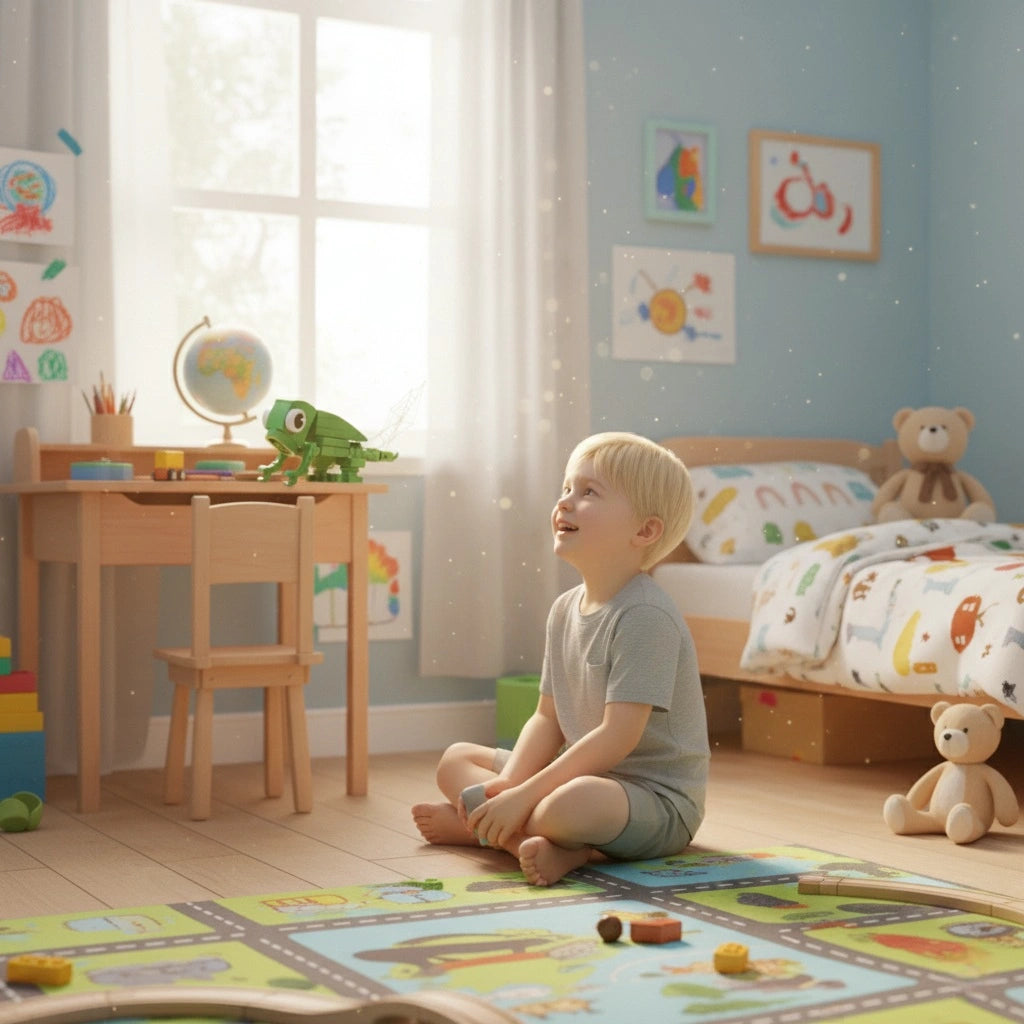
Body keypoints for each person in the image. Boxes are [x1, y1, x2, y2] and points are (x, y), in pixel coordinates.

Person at [412, 431, 709, 886]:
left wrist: (522, 795)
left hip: (653, 800)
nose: (565, 503)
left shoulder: (646, 615)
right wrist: (509, 788)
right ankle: (520, 838)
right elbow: (546, 719)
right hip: (583, 773)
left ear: (645, 531)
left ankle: (491, 828)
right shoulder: (563, 609)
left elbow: (616, 738)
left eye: (588, 492)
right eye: (567, 488)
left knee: (566, 806)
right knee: (455, 759)